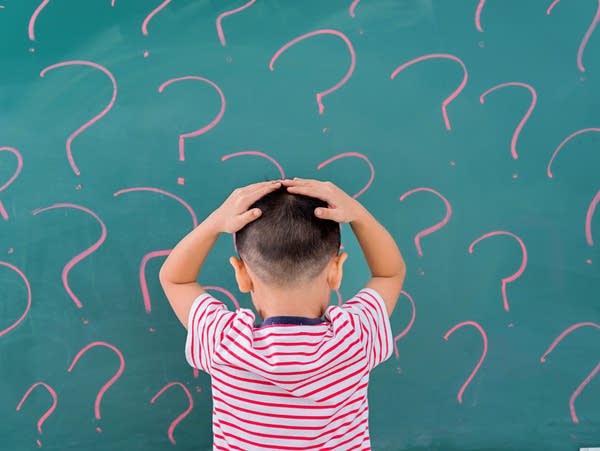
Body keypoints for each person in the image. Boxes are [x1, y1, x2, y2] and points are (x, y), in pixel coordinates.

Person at [159, 177, 407, 450]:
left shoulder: (223, 341)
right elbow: (389, 273)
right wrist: (359, 214)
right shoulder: (355, 337)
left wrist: (215, 222)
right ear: (336, 271)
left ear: (242, 275)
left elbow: (175, 280)